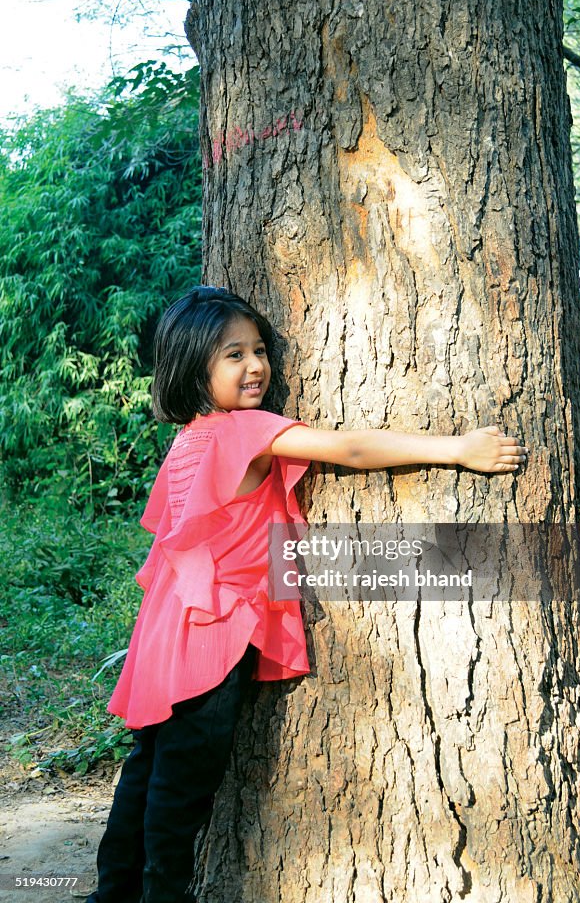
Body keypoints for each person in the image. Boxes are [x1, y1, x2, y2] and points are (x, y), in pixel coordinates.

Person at [85, 285, 527, 903]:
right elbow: (346, 449)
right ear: (193, 365)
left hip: (165, 631)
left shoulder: (191, 438)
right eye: (232, 354)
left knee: (148, 768)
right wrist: (455, 449)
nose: (256, 366)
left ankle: (112, 893)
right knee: (180, 783)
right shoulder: (244, 430)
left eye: (259, 349)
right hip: (212, 633)